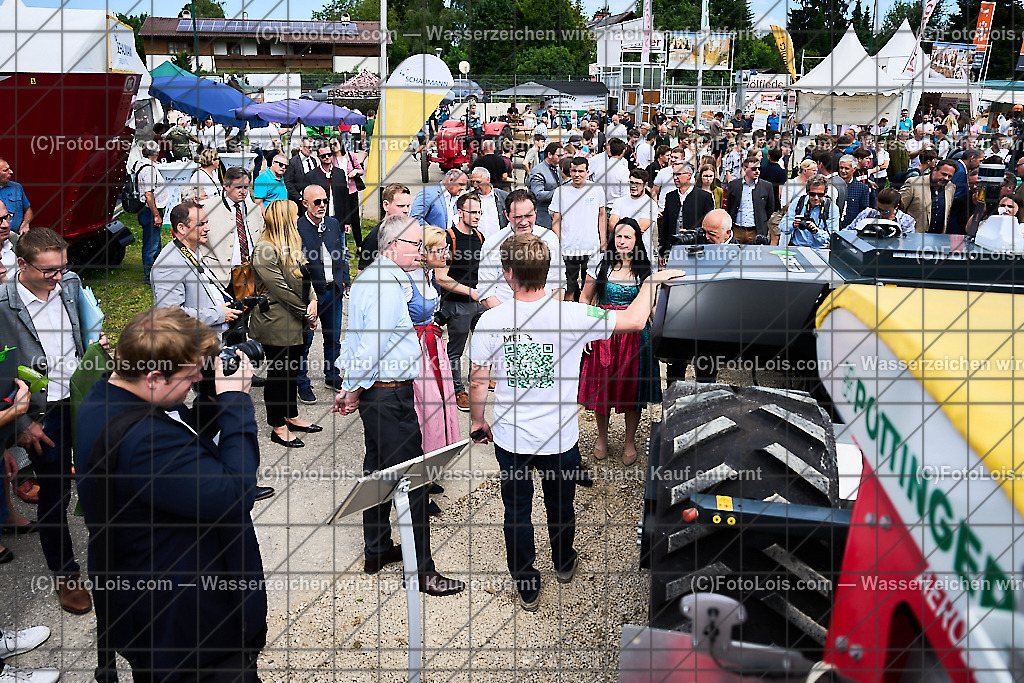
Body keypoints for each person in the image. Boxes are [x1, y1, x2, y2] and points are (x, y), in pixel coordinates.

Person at [468, 232, 682, 610]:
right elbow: (633, 319)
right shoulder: (572, 314)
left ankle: (526, 580)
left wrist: (478, 421)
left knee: (516, 509)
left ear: (506, 274)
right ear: (547, 273)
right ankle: (564, 561)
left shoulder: (490, 320)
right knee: (560, 503)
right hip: (559, 436)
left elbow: (479, 380)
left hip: (511, 436)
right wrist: (651, 281)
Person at [75, 307, 266, 682]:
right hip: (187, 627)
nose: (198, 378)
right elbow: (232, 493)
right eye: (190, 374)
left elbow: (183, 443)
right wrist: (236, 403)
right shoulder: (143, 440)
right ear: (152, 377)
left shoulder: (108, 394)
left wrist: (210, 400)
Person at [333, 215, 465, 597]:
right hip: (388, 394)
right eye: (415, 244)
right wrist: (353, 388)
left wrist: (349, 385)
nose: (421, 251)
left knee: (378, 473)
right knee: (414, 480)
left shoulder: (375, 278)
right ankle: (423, 570)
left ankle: (376, 550)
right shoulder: (386, 283)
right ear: (392, 245)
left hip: (382, 393)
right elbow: (370, 345)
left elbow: (353, 339)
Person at [1, 228, 100, 614]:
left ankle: (119, 555)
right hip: (42, 417)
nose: (58, 277)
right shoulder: (2, 305)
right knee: (55, 497)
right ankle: (65, 573)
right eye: (48, 272)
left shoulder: (70, 284)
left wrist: (95, 344)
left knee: (102, 481)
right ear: (21, 264)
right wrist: (19, 423)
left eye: (62, 268)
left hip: (83, 402)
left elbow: (81, 331)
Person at [578, 218, 661, 466]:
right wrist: (586, 331)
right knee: (602, 388)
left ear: (637, 241)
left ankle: (629, 441)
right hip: (604, 333)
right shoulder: (600, 264)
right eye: (619, 236)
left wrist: (661, 334)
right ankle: (602, 438)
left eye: (628, 237)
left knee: (632, 390)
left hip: (636, 336)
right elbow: (584, 298)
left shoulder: (647, 269)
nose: (622, 241)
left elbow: (653, 307)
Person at [248, 200, 319, 448]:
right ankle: (277, 426)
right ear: (284, 219)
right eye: (294, 216)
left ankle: (292, 415)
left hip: (296, 319)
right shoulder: (264, 250)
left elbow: (304, 277)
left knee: (291, 371)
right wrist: (306, 313)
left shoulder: (292, 245)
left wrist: (314, 302)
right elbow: (281, 290)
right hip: (276, 322)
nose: (298, 220)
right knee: (279, 374)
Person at [295, 185, 351, 404]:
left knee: (333, 337)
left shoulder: (333, 223)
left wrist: (344, 278)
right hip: (312, 295)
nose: (322, 205)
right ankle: (302, 383)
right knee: (305, 341)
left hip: (334, 290)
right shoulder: (298, 227)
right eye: (317, 202)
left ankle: (332, 374)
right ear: (305, 204)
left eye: (324, 201)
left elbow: (342, 252)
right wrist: (307, 296)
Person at [431, 193, 486, 411]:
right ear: (460, 212)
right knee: (455, 350)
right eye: (472, 212)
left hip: (478, 301)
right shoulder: (447, 238)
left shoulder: (480, 237)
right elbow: (441, 277)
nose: (476, 216)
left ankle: (479, 382)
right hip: (456, 304)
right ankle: (457, 390)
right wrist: (470, 292)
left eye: (479, 212)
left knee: (483, 344)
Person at [152, 201, 239, 332]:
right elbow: (170, 316)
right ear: (181, 228)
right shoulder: (169, 264)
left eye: (207, 223)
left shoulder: (193, 250)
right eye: (201, 224)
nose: (207, 228)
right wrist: (218, 315)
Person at [410, 227, 461, 450]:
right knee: (424, 405)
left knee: (439, 399)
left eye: (446, 249)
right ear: (423, 252)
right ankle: (420, 456)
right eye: (439, 250)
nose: (445, 255)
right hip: (415, 348)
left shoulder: (429, 275)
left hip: (432, 344)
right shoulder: (407, 280)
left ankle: (437, 452)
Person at [478, 189, 563, 308]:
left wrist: (551, 313)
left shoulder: (550, 238)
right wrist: (509, 319)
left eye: (528, 216)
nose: (524, 222)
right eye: (518, 217)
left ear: (536, 212)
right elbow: (486, 292)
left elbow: (558, 283)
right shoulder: (492, 244)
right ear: (507, 215)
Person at [199, 167, 266, 292]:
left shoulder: (254, 209)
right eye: (238, 187)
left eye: (246, 187)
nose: (243, 191)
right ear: (226, 186)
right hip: (221, 276)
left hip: (251, 274)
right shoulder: (207, 207)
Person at [550, 157, 606, 302]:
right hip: (569, 249)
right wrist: (558, 242)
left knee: (591, 289)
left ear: (587, 172)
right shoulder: (561, 192)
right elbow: (556, 220)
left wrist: (603, 240)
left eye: (581, 171)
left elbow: (601, 215)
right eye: (574, 171)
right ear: (570, 171)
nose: (577, 174)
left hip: (592, 248)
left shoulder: (597, 189)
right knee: (569, 289)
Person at [661, 163, 715, 258]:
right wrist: (663, 251)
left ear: (689, 175)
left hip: (695, 250)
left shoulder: (704, 197)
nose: (675, 178)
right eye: (673, 174)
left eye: (678, 174)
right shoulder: (670, 196)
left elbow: (709, 227)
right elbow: (666, 226)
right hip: (673, 250)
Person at [134, 140, 169, 283]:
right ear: (156, 153)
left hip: (149, 210)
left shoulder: (141, 164)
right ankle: (150, 275)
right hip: (150, 211)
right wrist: (156, 215)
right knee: (151, 244)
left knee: (155, 241)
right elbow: (148, 194)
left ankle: (156, 271)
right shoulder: (148, 169)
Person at [359, 183, 414, 271]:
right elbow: (362, 275)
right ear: (386, 205)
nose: (406, 211)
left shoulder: (409, 231)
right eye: (401, 206)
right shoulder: (374, 239)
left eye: (408, 206)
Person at [609, 168, 660, 260]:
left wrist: (620, 229)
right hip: (620, 252)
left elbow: (640, 229)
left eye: (637, 184)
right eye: (631, 182)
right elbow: (611, 225)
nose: (633, 186)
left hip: (643, 252)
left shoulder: (650, 204)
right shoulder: (619, 202)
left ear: (645, 185)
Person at [725, 157, 777, 244]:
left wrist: (762, 221)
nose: (757, 171)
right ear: (745, 169)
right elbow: (730, 206)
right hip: (737, 229)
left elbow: (770, 208)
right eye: (753, 169)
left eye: (759, 169)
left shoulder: (766, 186)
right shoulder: (734, 185)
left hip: (756, 230)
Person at [781, 175, 841, 248]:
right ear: (807, 192)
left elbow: (833, 237)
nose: (816, 198)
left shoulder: (832, 208)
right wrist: (793, 224)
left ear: (825, 194)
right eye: (812, 194)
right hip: (797, 247)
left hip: (819, 250)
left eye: (820, 195)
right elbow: (782, 226)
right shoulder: (798, 202)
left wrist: (816, 231)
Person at [899, 160, 957, 234]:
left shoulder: (951, 187)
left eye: (950, 176)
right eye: (944, 174)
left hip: (938, 238)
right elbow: (898, 209)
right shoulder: (914, 183)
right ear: (935, 170)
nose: (946, 178)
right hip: (914, 237)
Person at [304, 143, 350, 227]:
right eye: (323, 156)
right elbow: (307, 202)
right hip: (318, 220)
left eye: (329, 155)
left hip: (339, 219)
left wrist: (347, 221)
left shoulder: (340, 173)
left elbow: (345, 198)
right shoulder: (311, 176)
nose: (327, 157)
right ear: (318, 157)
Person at [333, 140, 365, 251]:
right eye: (331, 144)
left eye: (335, 144)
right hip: (339, 192)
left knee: (355, 218)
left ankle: (359, 245)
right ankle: (343, 244)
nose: (333, 147)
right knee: (341, 218)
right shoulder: (332, 159)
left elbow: (361, 170)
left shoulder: (349, 156)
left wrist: (355, 172)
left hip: (351, 190)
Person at [848, 187, 917, 236]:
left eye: (886, 211)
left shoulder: (906, 221)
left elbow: (908, 244)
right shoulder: (867, 214)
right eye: (879, 209)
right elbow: (848, 231)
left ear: (896, 206)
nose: (881, 213)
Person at [527, 142, 564, 228]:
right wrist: (559, 192)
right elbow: (538, 194)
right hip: (544, 218)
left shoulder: (557, 169)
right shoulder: (538, 171)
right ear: (550, 155)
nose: (561, 159)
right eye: (559, 156)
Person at [469, 168, 508, 239]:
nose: (475, 185)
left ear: (488, 180)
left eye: (478, 182)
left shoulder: (503, 197)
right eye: (473, 182)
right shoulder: (469, 199)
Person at [0, 159, 32, 236]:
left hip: (17, 237)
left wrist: (25, 223)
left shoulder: (16, 187)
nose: (11, 172)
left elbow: (28, 210)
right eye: (5, 170)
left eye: (9, 168)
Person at [284, 137, 317, 206]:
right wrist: (298, 197)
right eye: (308, 147)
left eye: (312, 148)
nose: (310, 150)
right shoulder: (293, 162)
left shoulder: (313, 161)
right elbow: (288, 182)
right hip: (299, 200)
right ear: (301, 147)